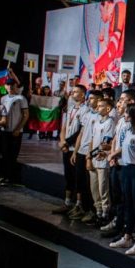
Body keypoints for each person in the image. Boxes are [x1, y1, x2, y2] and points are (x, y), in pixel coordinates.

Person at [109, 103, 135, 256]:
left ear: (133, 115)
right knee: (128, 204)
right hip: (126, 168)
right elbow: (123, 147)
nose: (124, 116)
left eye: (127, 113)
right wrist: (113, 155)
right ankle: (127, 236)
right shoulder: (128, 129)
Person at [52, 85, 86, 214]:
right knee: (68, 176)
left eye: (76, 92)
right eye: (73, 91)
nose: (73, 93)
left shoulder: (85, 110)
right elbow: (64, 127)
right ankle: (67, 203)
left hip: (76, 148)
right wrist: (62, 141)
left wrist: (67, 142)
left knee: (78, 177)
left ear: (83, 95)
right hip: (66, 147)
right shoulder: (71, 108)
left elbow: (80, 132)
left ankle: (78, 205)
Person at [71, 90, 102, 221]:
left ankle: (92, 210)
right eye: (89, 98)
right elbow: (81, 133)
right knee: (81, 182)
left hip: (91, 153)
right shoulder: (88, 114)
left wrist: (89, 155)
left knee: (91, 185)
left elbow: (95, 138)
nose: (90, 101)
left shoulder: (101, 117)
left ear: (100, 100)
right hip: (81, 152)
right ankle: (81, 207)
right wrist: (75, 151)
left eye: (93, 98)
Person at [87, 97, 115, 225]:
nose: (98, 108)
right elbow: (92, 140)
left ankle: (105, 213)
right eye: (97, 105)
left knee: (103, 188)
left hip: (102, 159)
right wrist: (89, 156)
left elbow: (106, 142)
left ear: (108, 108)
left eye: (101, 106)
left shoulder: (110, 122)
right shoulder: (97, 122)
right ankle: (97, 210)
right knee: (94, 188)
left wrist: (100, 152)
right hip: (94, 158)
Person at [0, 78, 29, 183]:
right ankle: (5, 176)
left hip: (15, 132)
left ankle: (12, 178)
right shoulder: (2, 98)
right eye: (8, 85)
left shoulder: (21, 98)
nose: (10, 87)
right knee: (4, 155)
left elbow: (26, 115)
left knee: (13, 156)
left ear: (16, 86)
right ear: (5, 86)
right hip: (4, 131)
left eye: (12, 85)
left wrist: (18, 129)